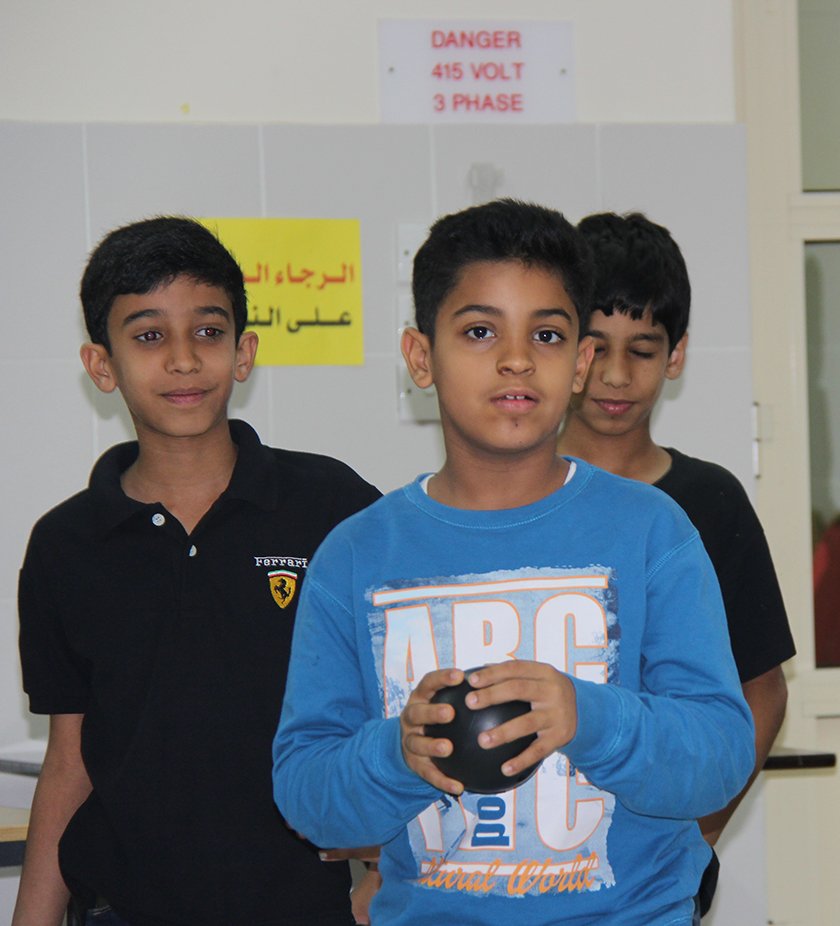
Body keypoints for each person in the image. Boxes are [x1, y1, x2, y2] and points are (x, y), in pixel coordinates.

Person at [271, 199, 754, 925]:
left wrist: (589, 717)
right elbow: (308, 798)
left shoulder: (652, 530)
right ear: (420, 358)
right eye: (479, 331)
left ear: (580, 363)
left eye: (548, 334)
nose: (517, 359)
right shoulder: (356, 555)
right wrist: (399, 753)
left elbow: (719, 756)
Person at [14, 216, 381, 925]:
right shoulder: (66, 545)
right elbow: (70, 758)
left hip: (305, 908)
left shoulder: (331, 505)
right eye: (149, 336)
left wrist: (385, 872)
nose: (183, 360)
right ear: (102, 365)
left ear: (243, 353)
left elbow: (391, 706)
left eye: (208, 332)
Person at [557, 211, 796, 910]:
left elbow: (762, 690)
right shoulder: (509, 493)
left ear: (677, 354)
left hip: (657, 875)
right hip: (516, 860)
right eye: (595, 346)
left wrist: (698, 833)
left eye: (642, 349)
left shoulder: (710, 502)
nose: (615, 375)